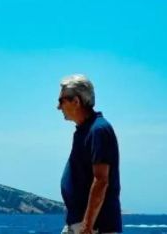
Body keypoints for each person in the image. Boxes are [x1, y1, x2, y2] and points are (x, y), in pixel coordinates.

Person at [57, 74, 122, 234]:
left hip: (94, 227)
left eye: (61, 101)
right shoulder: (83, 131)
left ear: (76, 101)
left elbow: (101, 180)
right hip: (78, 223)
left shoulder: (98, 130)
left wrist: (87, 226)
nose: (58, 107)